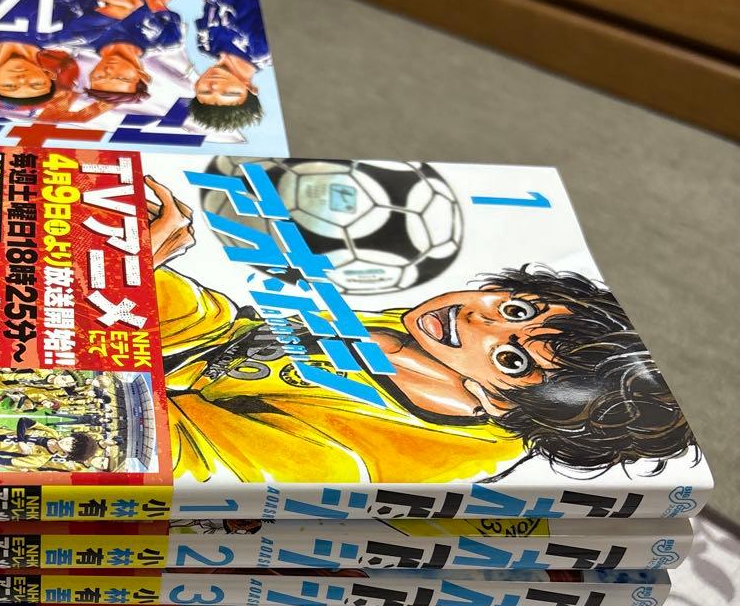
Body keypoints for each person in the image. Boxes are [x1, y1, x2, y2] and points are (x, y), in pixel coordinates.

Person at [142, 176, 696, 486]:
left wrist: (130, 273)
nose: (480, 321)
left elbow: (139, 445)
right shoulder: (425, 340)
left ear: (501, 404)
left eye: (511, 360)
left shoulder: (346, 459)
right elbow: (230, 334)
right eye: (518, 309)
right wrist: (142, 260)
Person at [85, 0, 183, 103]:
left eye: (99, 76)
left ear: (91, 73)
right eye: (121, 77)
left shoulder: (78, 39)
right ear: (142, 76)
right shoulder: (164, 40)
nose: (108, 70)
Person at [188, 0, 270, 132]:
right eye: (228, 93)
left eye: (205, 92)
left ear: (196, 85)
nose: (214, 86)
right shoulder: (264, 48)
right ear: (251, 88)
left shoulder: (206, 45)